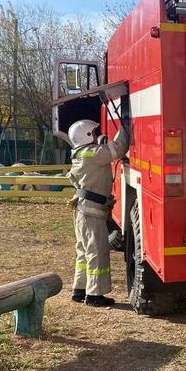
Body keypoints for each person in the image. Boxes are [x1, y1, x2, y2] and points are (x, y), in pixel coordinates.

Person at [66, 119, 129, 307]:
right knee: (97, 251)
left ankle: (80, 289)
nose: (97, 136)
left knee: (84, 251)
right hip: (91, 212)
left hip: (83, 210)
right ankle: (94, 295)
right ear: (86, 136)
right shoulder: (93, 154)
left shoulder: (80, 154)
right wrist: (125, 126)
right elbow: (119, 148)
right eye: (94, 133)